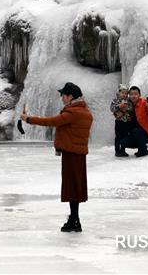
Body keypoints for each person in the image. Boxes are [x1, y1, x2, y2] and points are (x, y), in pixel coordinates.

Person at [21, 82, 93, 233]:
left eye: (63, 95)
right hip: (79, 153)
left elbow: (51, 122)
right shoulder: (85, 111)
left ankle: (74, 220)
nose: (61, 98)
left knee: (72, 188)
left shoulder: (72, 113)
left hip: (72, 154)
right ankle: (75, 219)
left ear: (71, 96)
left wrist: (28, 119)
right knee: (75, 187)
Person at [121, 86, 148, 157]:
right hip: (136, 135)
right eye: (131, 94)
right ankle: (142, 146)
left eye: (135, 94)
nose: (133, 96)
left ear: (139, 95)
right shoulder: (128, 105)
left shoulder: (143, 102)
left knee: (137, 131)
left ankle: (143, 150)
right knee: (123, 142)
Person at [109, 84, 136, 157]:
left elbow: (131, 109)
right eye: (122, 93)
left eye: (126, 93)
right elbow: (112, 108)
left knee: (125, 136)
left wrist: (126, 108)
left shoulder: (128, 101)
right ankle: (117, 151)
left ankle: (123, 150)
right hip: (119, 122)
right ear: (118, 93)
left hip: (127, 122)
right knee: (118, 136)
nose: (124, 95)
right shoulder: (115, 101)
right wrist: (119, 106)